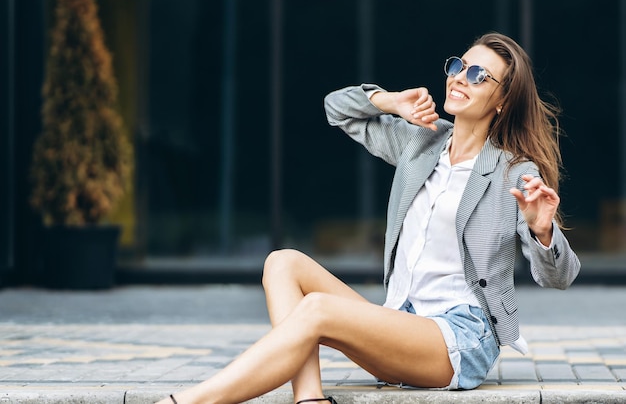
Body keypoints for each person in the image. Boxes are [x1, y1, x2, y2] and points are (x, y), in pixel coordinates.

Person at [157, 32, 580, 404]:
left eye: (477, 75)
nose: (459, 77)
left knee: (318, 309)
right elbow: (336, 108)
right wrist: (391, 101)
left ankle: (191, 401)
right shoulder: (421, 142)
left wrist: (542, 230)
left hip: (459, 338)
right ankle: (309, 399)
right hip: (399, 322)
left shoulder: (514, 172)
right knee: (281, 262)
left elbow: (559, 276)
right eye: (458, 66)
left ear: (502, 101)